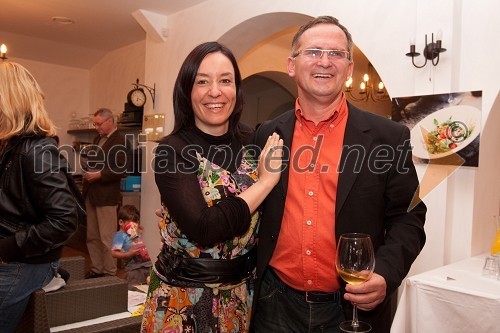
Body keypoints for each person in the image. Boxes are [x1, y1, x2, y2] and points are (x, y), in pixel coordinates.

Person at [252, 16, 427, 333]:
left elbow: (409, 216)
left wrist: (386, 274)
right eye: (314, 51)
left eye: (336, 54)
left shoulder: (388, 137)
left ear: (349, 70)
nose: (325, 61)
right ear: (292, 65)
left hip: (352, 309)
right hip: (274, 302)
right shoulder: (266, 133)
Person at [141, 41, 282, 333]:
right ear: (187, 91)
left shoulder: (252, 139)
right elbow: (205, 229)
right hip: (184, 298)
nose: (215, 92)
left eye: (225, 81)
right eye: (202, 81)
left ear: (237, 89)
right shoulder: (172, 150)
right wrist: (267, 181)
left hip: (243, 295)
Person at [0, 61, 79, 332]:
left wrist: (6, 249)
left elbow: (64, 220)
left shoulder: (36, 151)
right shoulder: (9, 147)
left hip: (21, 262)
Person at [82, 108, 131, 278]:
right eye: (95, 124)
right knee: (92, 236)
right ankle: (97, 269)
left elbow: (122, 168)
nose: (97, 127)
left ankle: (109, 273)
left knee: (107, 238)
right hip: (91, 193)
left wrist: (100, 175)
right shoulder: (97, 139)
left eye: (99, 124)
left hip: (107, 196)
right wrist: (87, 168)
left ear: (110, 121)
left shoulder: (121, 140)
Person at [111, 204, 152, 288]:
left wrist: (139, 234)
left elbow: (137, 243)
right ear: (121, 222)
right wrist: (129, 254)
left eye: (136, 222)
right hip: (134, 269)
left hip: (147, 265)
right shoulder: (120, 235)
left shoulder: (133, 233)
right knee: (134, 290)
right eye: (131, 223)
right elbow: (113, 253)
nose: (135, 225)